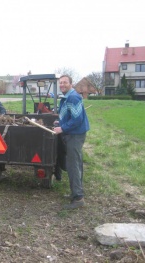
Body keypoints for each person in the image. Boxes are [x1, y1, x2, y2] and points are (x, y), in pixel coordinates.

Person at [53, 74, 90, 210]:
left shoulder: (73, 97)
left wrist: (62, 128)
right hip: (73, 133)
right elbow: (70, 115)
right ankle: (76, 193)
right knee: (76, 163)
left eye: (65, 82)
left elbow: (77, 120)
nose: (62, 84)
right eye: (61, 83)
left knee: (73, 165)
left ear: (71, 84)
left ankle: (78, 198)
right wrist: (60, 122)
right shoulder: (67, 97)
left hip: (75, 135)